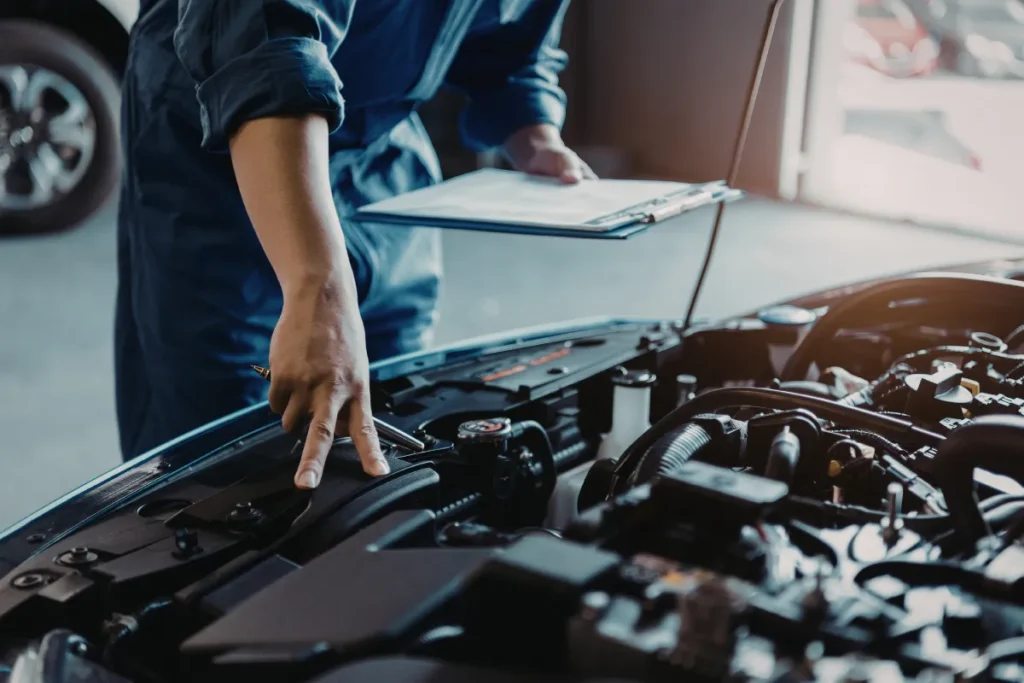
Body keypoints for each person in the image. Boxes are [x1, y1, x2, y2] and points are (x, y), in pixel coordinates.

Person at [115, 0, 595, 489]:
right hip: (229, 153)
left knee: (401, 409)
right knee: (224, 453)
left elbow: (510, 37)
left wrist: (535, 134)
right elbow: (262, 40)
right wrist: (317, 288)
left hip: (381, 152)